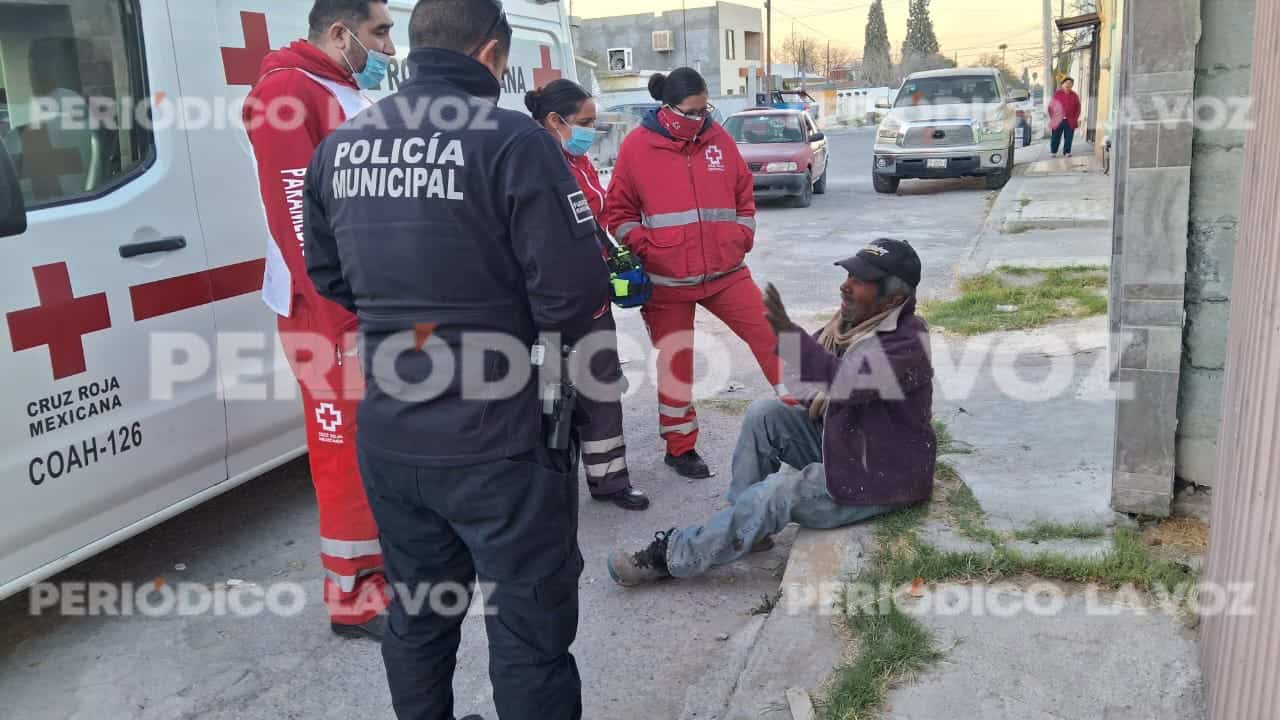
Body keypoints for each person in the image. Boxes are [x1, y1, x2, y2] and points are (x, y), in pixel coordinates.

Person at [303, 0, 609, 718]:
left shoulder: (342, 144)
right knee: (529, 629)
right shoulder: (515, 140)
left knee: (417, 616)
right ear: (493, 56)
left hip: (390, 436)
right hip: (499, 439)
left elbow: (328, 276)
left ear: (413, 47)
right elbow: (573, 297)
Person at [607, 239, 936, 586]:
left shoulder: (909, 343)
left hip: (878, 477)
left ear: (894, 299)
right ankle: (747, 524)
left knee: (779, 491)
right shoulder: (848, 325)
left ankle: (672, 556)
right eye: (849, 275)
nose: (846, 285)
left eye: (860, 280)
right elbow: (805, 378)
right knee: (764, 413)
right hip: (847, 442)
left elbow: (842, 383)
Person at [245, 0, 396, 641]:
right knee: (342, 455)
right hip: (327, 314)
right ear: (340, 33)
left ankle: (384, 573)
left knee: (377, 448)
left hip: (368, 307)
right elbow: (298, 221)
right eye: (380, 31)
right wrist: (343, 322)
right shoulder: (285, 92)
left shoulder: (341, 88)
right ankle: (354, 599)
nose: (390, 45)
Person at [601, 66, 792, 481]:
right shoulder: (637, 149)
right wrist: (647, 249)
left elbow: (743, 192)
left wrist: (742, 234)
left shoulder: (717, 139)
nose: (701, 118)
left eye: (706, 110)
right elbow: (617, 212)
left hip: (727, 273)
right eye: (692, 111)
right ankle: (680, 447)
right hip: (667, 283)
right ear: (667, 109)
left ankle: (808, 421)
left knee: (775, 336)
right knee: (677, 365)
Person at [524, 79, 649, 511]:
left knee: (602, 392)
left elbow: (594, 218)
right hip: (549, 308)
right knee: (550, 402)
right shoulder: (528, 163)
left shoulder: (578, 161)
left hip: (592, 301)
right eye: (585, 122)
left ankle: (610, 481)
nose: (592, 132)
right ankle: (550, 493)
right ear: (554, 121)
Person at [1049, 77, 1082, 158]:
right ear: (1062, 84)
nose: (1068, 85)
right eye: (1066, 83)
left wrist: (1075, 118)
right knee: (1055, 137)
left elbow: (1078, 107)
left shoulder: (1074, 95)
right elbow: (1051, 107)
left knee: (1069, 137)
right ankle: (1053, 151)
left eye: (1070, 83)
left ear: (1072, 86)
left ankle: (1067, 151)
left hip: (1070, 120)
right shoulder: (1057, 94)